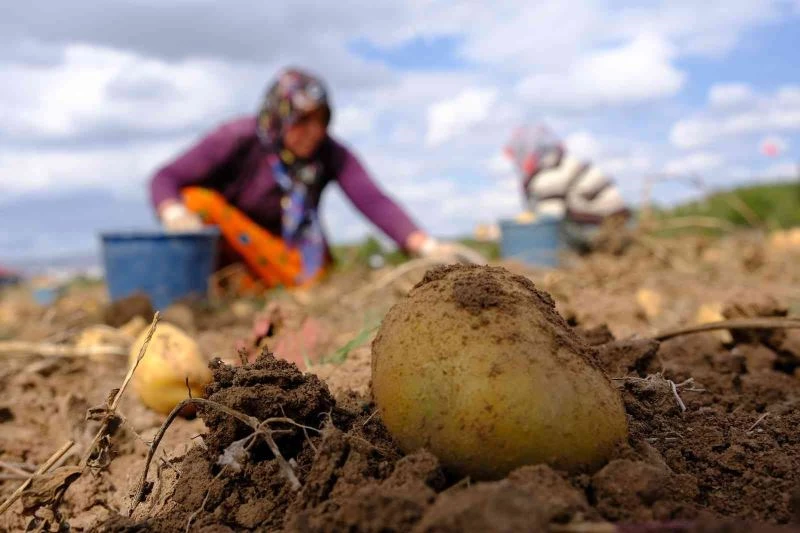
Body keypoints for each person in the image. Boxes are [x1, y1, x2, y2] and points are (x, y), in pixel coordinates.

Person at [150, 67, 484, 291]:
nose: (314, 132)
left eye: (321, 121)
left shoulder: (329, 153)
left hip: (296, 261)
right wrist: (173, 213)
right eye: (302, 121)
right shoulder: (238, 138)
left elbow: (372, 200)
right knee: (196, 201)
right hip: (237, 256)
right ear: (279, 115)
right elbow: (166, 178)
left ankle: (291, 285)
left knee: (308, 278)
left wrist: (426, 246)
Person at [504, 124, 632, 253]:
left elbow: (549, 218)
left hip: (602, 228)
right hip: (624, 222)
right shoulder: (562, 162)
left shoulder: (546, 177)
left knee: (555, 228)